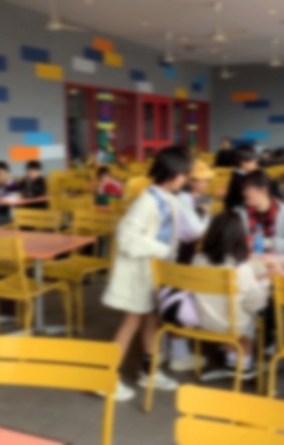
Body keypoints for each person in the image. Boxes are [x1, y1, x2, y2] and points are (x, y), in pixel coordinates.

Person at [102, 145, 193, 401]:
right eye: (184, 174)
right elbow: (126, 236)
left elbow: (180, 230)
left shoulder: (168, 198)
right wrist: (162, 249)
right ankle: (106, 377)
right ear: (173, 174)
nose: (186, 179)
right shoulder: (146, 201)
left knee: (152, 319)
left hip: (153, 273)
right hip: (139, 273)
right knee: (132, 321)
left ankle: (149, 371)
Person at [193, 211, 270, 378]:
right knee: (247, 314)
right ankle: (244, 366)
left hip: (202, 320)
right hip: (232, 325)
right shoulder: (240, 268)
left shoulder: (197, 260)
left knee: (230, 307)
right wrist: (264, 284)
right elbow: (256, 304)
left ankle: (230, 359)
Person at [236, 170, 284, 254]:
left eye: (247, 189)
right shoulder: (238, 215)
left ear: (263, 190)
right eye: (243, 189)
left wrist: (270, 243)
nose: (244, 193)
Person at [177, 160, 214, 264]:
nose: (206, 184)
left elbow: (207, 220)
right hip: (183, 240)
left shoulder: (205, 198)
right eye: (203, 180)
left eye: (207, 180)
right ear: (191, 181)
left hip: (199, 239)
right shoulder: (181, 197)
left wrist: (207, 214)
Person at [223, 144, 258, 211]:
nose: (256, 164)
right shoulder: (240, 179)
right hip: (239, 212)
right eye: (253, 161)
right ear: (243, 162)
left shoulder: (241, 176)